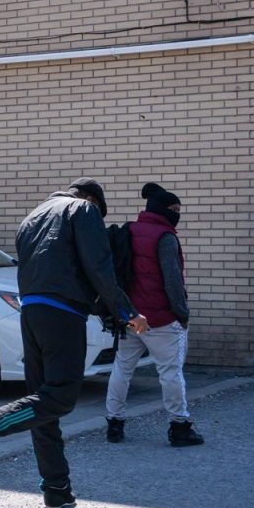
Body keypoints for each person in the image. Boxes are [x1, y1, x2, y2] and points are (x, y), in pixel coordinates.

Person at [0, 179, 146, 508]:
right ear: (90, 199)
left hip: (32, 312)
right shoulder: (84, 210)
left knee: (41, 399)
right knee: (61, 396)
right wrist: (126, 311)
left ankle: (56, 487)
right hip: (63, 312)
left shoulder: (33, 216)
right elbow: (98, 266)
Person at [105, 188, 201, 447]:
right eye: (175, 211)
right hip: (161, 318)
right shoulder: (165, 236)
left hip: (131, 316)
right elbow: (173, 280)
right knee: (170, 373)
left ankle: (114, 424)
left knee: (122, 369)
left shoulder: (130, 230)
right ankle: (179, 426)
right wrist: (182, 314)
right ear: (162, 209)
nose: (177, 215)